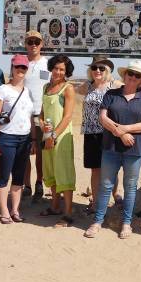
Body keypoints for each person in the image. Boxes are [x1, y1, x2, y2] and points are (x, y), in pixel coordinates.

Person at [84, 59, 141, 239]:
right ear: (125, 75)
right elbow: (103, 118)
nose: (133, 77)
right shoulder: (111, 94)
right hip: (111, 147)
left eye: (137, 75)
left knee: (130, 187)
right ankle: (98, 221)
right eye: (130, 73)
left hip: (134, 150)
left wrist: (125, 129)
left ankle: (126, 223)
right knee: (106, 185)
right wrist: (119, 133)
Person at [0, 55, 35, 224]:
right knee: (3, 176)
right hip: (7, 138)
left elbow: (29, 117)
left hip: (24, 139)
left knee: (19, 177)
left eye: (23, 67)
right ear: (12, 68)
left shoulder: (27, 91)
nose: (20, 70)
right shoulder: (3, 90)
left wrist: (33, 140)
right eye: (18, 67)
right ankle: (4, 211)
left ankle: (15, 210)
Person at [79, 55, 122, 213]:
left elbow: (135, 89)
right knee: (95, 169)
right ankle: (96, 203)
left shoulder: (115, 85)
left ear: (107, 70)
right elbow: (68, 89)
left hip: (109, 132)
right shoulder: (87, 86)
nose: (97, 70)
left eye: (101, 68)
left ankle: (115, 194)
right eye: (94, 68)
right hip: (90, 133)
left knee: (112, 167)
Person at [39, 54, 77, 227]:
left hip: (61, 138)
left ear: (66, 71)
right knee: (51, 171)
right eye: (56, 68)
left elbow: (68, 116)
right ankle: (54, 206)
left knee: (64, 173)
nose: (58, 72)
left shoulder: (68, 89)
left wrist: (53, 136)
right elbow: (41, 114)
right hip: (47, 137)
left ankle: (68, 213)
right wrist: (42, 127)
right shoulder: (46, 87)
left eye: (62, 69)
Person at [22, 30, 49, 201]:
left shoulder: (47, 64)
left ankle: (39, 183)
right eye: (30, 41)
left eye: (36, 42)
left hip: (41, 114)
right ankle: (27, 185)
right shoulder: (19, 63)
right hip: (23, 114)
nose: (33, 44)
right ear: (25, 43)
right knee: (24, 152)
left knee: (40, 152)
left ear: (41, 44)